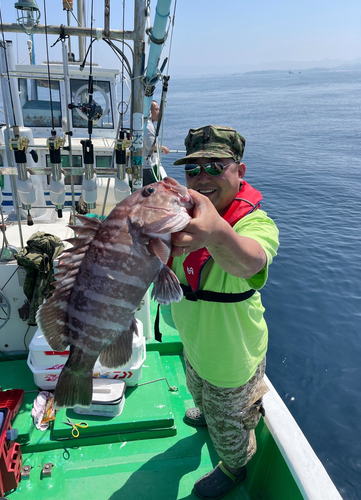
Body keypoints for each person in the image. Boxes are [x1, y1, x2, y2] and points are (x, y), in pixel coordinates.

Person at [170, 125, 279, 499]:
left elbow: (250, 261)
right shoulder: (176, 217)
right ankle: (204, 409)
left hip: (231, 361)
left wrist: (217, 233)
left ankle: (234, 466)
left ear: (240, 172)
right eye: (193, 169)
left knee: (228, 425)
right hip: (193, 345)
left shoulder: (255, 223)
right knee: (197, 391)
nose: (203, 178)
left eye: (216, 166)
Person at [142, 100, 170, 185]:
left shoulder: (148, 124)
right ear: (149, 111)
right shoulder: (148, 126)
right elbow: (150, 146)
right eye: (156, 109)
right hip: (146, 167)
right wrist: (164, 149)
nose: (159, 112)